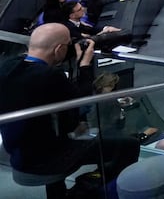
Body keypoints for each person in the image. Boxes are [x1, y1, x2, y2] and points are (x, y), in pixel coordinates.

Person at [0, 24, 140, 184]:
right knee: (129, 145)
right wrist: (84, 65)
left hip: (18, 155)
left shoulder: (8, 66)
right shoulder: (50, 76)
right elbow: (81, 109)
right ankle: (104, 189)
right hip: (49, 159)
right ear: (59, 49)